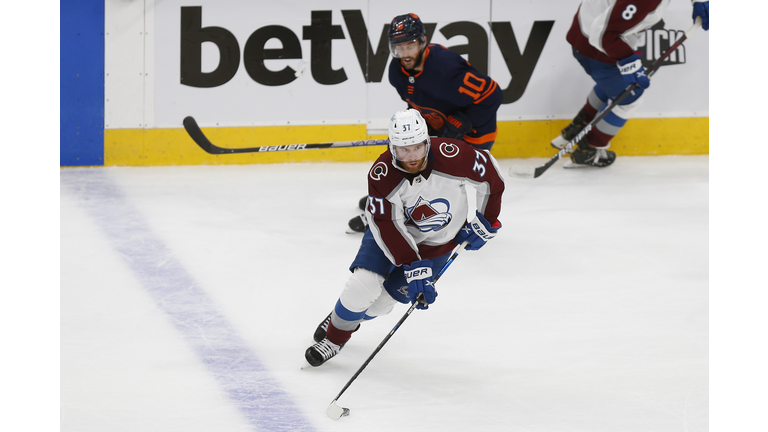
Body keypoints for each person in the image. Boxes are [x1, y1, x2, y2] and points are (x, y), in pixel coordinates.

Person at [305, 109, 505, 367]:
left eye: (417, 148)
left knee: (380, 304)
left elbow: (491, 179)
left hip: (439, 244)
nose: (411, 157)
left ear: (427, 142)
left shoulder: (454, 155)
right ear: (392, 147)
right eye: (403, 150)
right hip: (389, 237)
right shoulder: (381, 173)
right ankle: (334, 339)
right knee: (361, 286)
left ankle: (343, 318)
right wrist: (412, 263)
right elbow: (387, 224)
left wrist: (487, 220)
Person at [348, 13, 504, 233]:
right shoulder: (396, 72)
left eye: (410, 45)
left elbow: (493, 94)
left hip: (475, 134)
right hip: (440, 127)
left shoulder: (446, 68)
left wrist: (463, 121)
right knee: (404, 156)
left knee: (433, 174)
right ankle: (387, 203)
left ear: (423, 41)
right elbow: (418, 102)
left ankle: (406, 217)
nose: (404, 53)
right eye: (398, 47)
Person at [551, 0, 709, 168]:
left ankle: (578, 127)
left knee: (615, 86)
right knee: (630, 97)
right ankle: (589, 149)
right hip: (596, 46)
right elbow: (604, 34)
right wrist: (627, 61)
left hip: (587, 30)